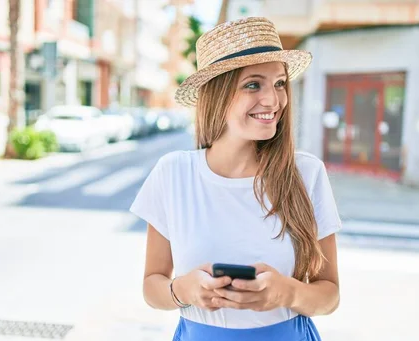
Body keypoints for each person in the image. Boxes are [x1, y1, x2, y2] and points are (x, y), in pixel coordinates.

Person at [129, 17, 341, 341]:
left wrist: (286, 292)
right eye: (253, 84)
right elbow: (151, 285)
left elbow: (330, 296)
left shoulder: (306, 173)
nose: (273, 100)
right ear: (218, 94)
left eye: (280, 83)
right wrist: (181, 290)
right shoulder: (173, 173)